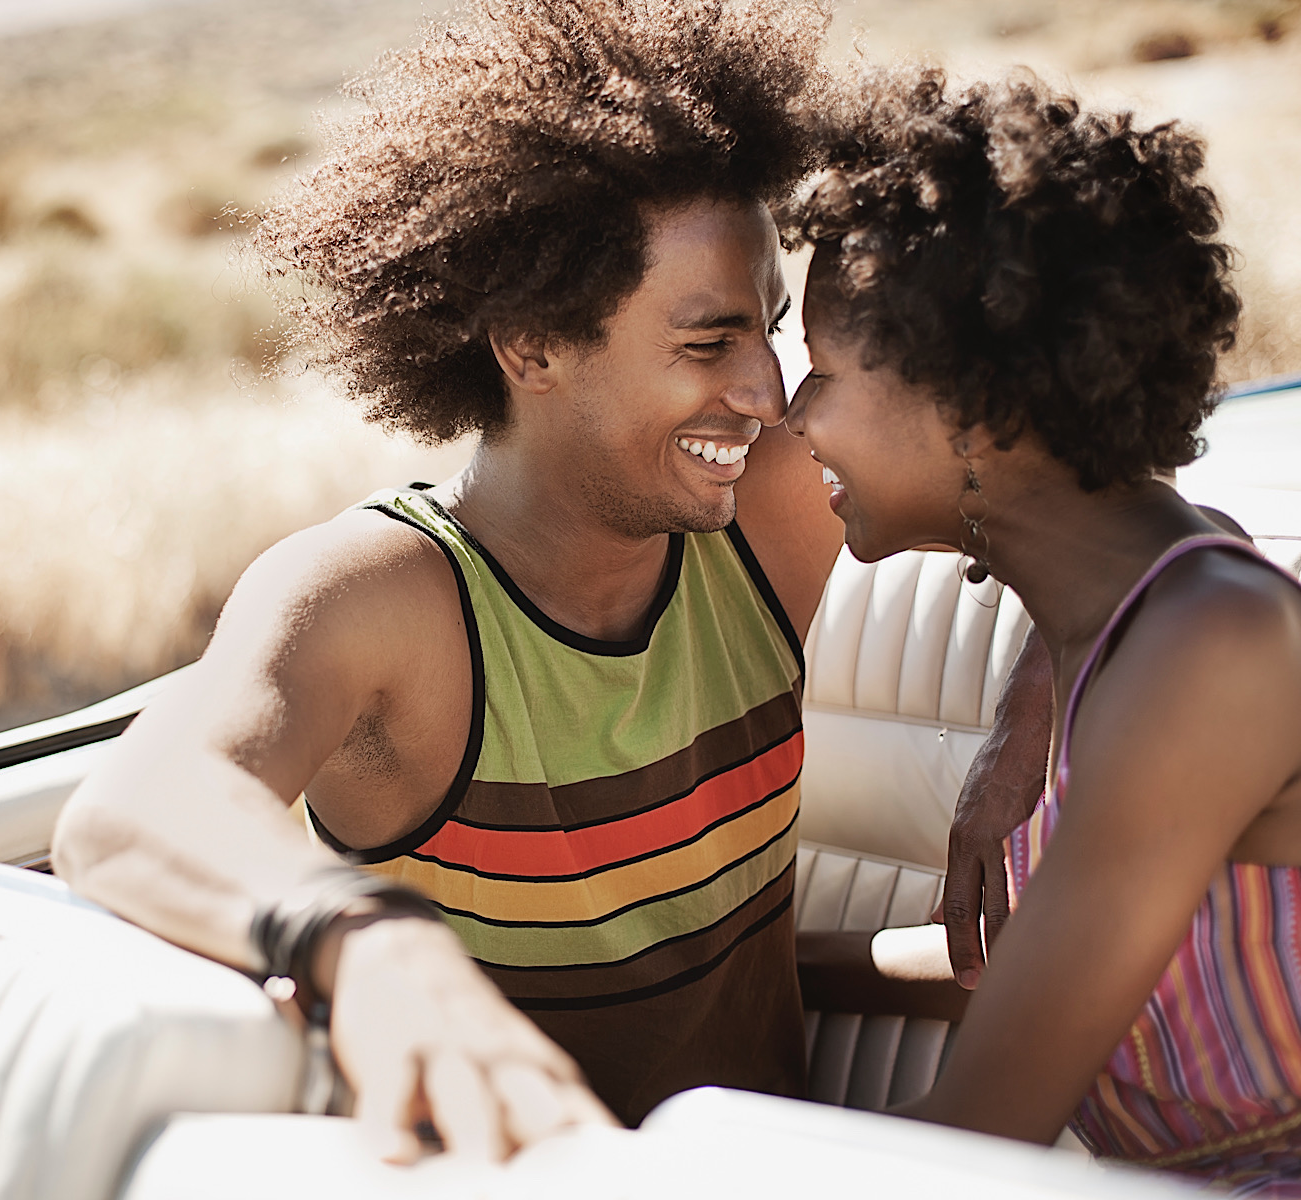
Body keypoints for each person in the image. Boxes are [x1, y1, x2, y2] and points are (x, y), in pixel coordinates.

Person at [51, 1, 1050, 1160]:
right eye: (705, 342)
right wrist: (372, 943)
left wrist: (1017, 735)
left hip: (783, 1168)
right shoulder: (384, 594)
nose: (767, 395)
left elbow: (1088, 519)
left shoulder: (765, 506)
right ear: (530, 344)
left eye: (768, 333)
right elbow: (128, 811)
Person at [783, 69, 1301, 1193]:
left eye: (819, 372)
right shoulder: (1120, 620)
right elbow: (1030, 969)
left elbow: (975, 1135)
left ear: (971, 407)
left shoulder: (1205, 648)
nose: (791, 417)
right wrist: (740, 970)